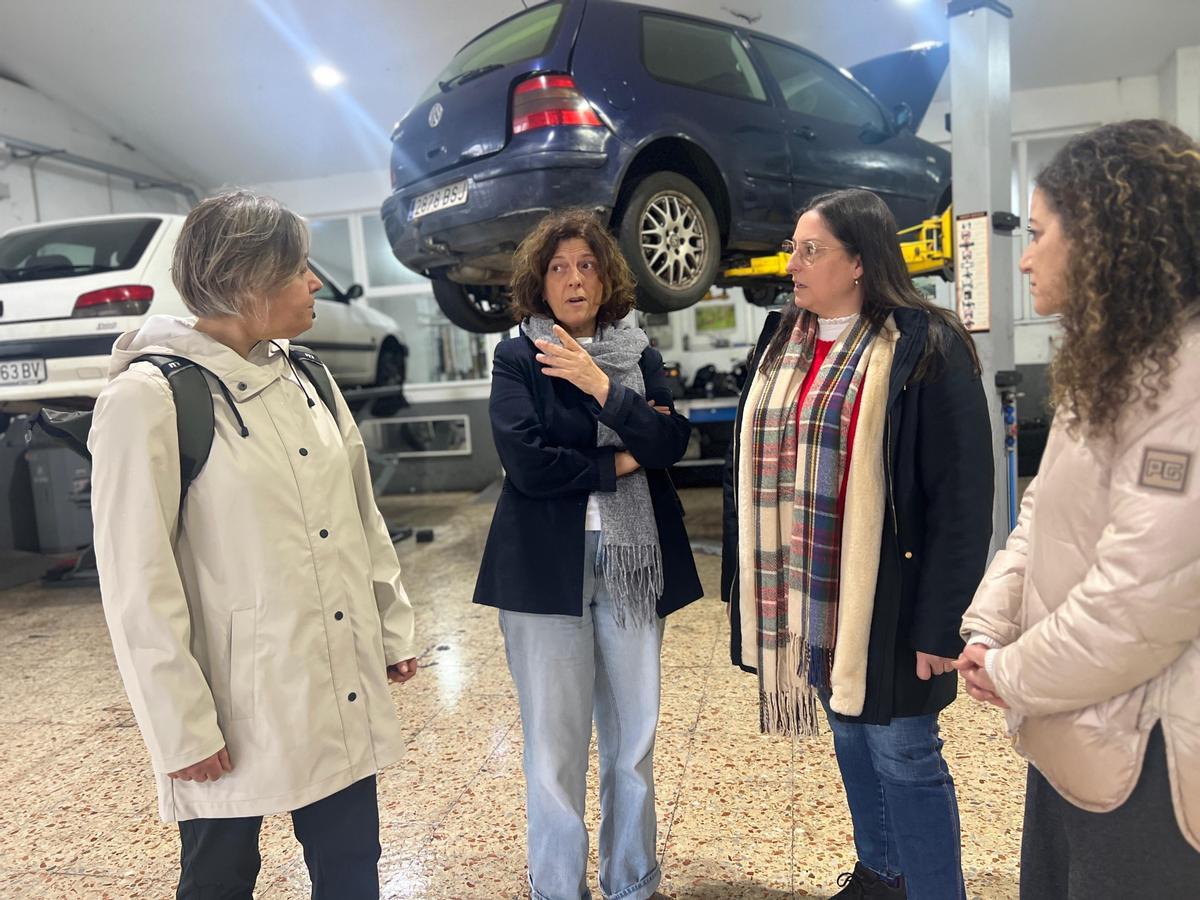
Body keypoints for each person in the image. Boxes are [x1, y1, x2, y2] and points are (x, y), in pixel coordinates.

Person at [89, 190, 418, 900]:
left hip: (336, 675)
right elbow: (134, 582)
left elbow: (362, 516)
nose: (314, 283)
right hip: (230, 701)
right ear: (246, 280)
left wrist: (391, 626)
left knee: (352, 865)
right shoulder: (147, 399)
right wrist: (180, 726)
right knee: (220, 877)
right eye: (298, 267)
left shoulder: (309, 378)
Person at [722, 189, 993, 899]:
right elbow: (748, 468)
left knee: (905, 751)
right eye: (792, 246)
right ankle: (882, 874)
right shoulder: (783, 341)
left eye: (810, 249)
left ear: (860, 264)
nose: (792, 262)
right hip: (815, 595)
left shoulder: (926, 345)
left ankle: (935, 889)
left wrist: (942, 623)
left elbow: (963, 499)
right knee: (850, 735)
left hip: (895, 598)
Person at [957, 119, 1200, 899]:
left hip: (1144, 761)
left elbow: (1140, 603)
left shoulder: (1185, 380)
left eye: (1036, 233)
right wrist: (988, 625)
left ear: (1103, 235)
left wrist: (1012, 671)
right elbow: (1039, 518)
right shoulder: (1113, 359)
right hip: (1072, 732)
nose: (1022, 257)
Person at [473, 208, 702, 900]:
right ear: (538, 282)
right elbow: (528, 465)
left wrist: (602, 387)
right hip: (544, 568)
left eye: (587, 265)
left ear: (607, 278)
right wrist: (619, 459)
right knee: (554, 746)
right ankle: (558, 888)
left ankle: (633, 882)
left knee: (634, 740)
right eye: (559, 267)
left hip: (634, 562)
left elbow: (673, 445)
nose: (574, 279)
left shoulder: (640, 354)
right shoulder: (518, 356)